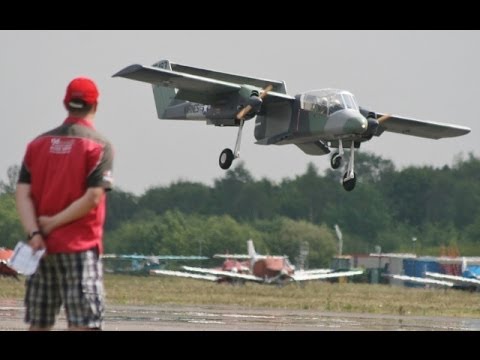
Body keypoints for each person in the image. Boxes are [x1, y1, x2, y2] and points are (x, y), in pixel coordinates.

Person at [15, 77, 114, 331]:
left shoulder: (37, 145)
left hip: (42, 249)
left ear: (65, 103)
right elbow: (93, 197)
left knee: (39, 323)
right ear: (96, 105)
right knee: (83, 323)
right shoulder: (99, 146)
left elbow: (23, 193)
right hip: (79, 248)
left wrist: (36, 232)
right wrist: (55, 222)